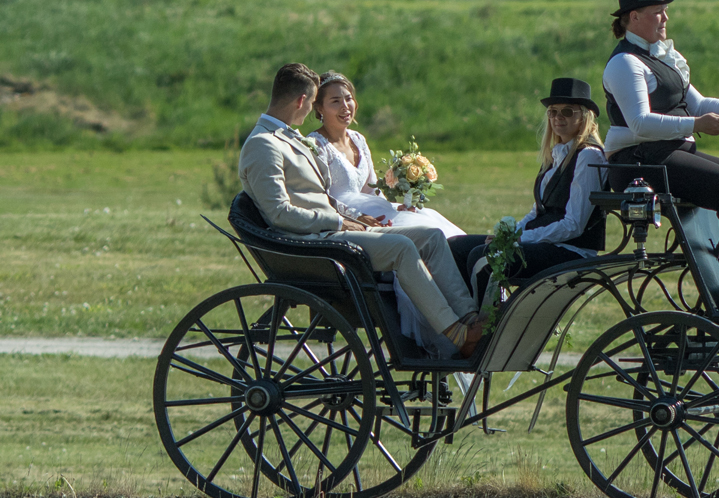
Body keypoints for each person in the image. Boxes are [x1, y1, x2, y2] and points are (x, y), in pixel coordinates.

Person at [239, 63, 485, 357]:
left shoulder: (288, 137)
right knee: (402, 248)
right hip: (314, 242)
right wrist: (340, 223)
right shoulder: (263, 145)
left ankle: (470, 317)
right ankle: (456, 333)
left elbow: (321, 196)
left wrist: (349, 217)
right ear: (302, 101)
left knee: (431, 236)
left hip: (334, 227)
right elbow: (281, 214)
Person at [600, 0, 719, 309]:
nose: (666, 19)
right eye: (658, 12)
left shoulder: (663, 56)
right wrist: (696, 125)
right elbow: (640, 124)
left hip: (669, 153)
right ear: (634, 17)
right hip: (639, 161)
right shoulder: (624, 64)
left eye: (665, 11)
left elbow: (697, 103)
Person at [465, 78, 610, 294]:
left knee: (483, 256)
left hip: (572, 250)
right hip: (548, 243)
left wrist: (522, 239)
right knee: (458, 247)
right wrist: (511, 235)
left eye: (567, 111)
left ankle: (488, 323)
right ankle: (469, 319)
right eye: (553, 112)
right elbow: (537, 212)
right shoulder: (556, 155)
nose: (558, 117)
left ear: (585, 116)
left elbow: (574, 225)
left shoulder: (589, 156)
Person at [308, 71, 465, 240]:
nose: (345, 106)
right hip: (346, 216)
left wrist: (391, 207)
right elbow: (318, 197)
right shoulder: (315, 145)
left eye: (348, 98)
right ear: (319, 107)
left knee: (426, 217)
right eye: (335, 101)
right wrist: (355, 217)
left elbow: (370, 188)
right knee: (421, 232)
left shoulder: (358, 139)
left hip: (372, 207)